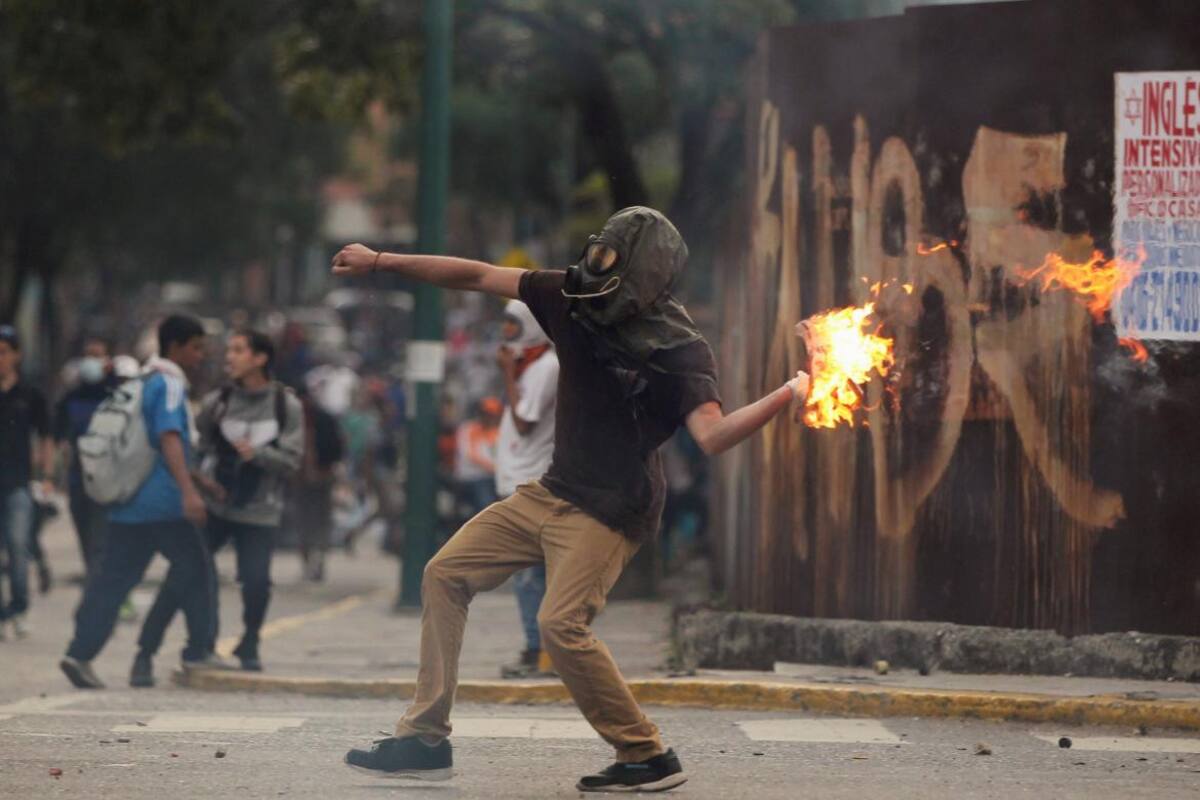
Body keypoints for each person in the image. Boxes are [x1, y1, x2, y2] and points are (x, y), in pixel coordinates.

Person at [331, 206, 810, 792]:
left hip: (611, 508)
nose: (597, 276)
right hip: (552, 491)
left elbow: (711, 437)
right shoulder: (571, 295)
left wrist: (789, 392)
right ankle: (424, 738)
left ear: (647, 276)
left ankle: (645, 753)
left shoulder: (679, 350)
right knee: (444, 573)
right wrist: (382, 261)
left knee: (561, 625)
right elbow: (477, 276)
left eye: (614, 266)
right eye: (597, 257)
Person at [60, 315, 224, 689]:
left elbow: (155, 445)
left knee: (113, 582)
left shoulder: (141, 379)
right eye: (196, 348)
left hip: (129, 503)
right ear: (177, 346)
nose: (200, 356)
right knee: (198, 571)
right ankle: (198, 651)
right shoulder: (168, 383)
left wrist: (200, 480)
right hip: (164, 504)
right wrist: (188, 492)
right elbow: (167, 438)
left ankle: (79, 653)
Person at [132, 329, 303, 685]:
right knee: (182, 576)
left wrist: (259, 455)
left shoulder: (285, 405)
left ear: (260, 358)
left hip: (260, 510)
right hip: (215, 507)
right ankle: (145, 653)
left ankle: (250, 642)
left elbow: (292, 460)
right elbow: (194, 447)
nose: (229, 357)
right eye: (228, 350)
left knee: (256, 582)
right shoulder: (218, 401)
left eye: (238, 351)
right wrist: (200, 482)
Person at [494, 300, 559, 680]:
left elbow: (524, 424)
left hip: (532, 481)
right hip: (520, 477)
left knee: (530, 573)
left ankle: (539, 651)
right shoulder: (530, 366)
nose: (505, 332)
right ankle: (540, 649)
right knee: (529, 571)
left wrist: (506, 374)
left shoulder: (545, 368)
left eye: (513, 324)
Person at [0, 325, 54, 640]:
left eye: (4, 352)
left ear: (16, 355)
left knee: (19, 547)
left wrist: (46, 475)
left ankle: (20, 608)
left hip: (18, 483)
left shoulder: (29, 394)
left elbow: (45, 436)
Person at [53, 336, 120, 575]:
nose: (92, 361)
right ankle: (97, 581)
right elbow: (59, 438)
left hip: (108, 480)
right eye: (89, 356)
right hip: (77, 479)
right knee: (85, 536)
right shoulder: (71, 398)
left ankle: (102, 590)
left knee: (103, 538)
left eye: (98, 356)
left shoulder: (116, 396)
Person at [292, 384, 344, 582]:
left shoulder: (322, 419)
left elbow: (336, 448)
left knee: (318, 520)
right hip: (301, 478)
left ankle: (318, 561)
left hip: (321, 477)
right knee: (305, 521)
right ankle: (309, 562)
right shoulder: (295, 420)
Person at [452, 396, 501, 517]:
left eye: (493, 414)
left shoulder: (497, 432)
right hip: (471, 477)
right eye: (486, 414)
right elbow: (469, 456)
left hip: (493, 478)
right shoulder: (468, 429)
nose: (489, 417)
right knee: (486, 504)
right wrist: (494, 467)